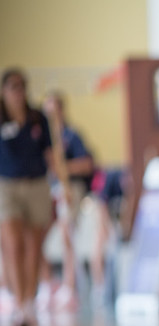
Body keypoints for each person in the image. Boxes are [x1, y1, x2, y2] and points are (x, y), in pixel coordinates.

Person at [0, 68, 54, 326]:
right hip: (6, 186)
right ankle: (18, 300)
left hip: (37, 184)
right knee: (12, 245)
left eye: (22, 86)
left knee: (34, 246)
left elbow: (50, 154)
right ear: (3, 90)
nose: (18, 91)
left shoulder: (37, 119)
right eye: (12, 86)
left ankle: (29, 301)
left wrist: (62, 185)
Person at [41, 90, 95, 311]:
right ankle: (46, 284)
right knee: (37, 234)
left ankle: (69, 285)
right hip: (48, 189)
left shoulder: (71, 136)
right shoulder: (42, 138)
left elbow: (88, 164)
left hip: (70, 187)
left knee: (66, 232)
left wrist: (64, 168)